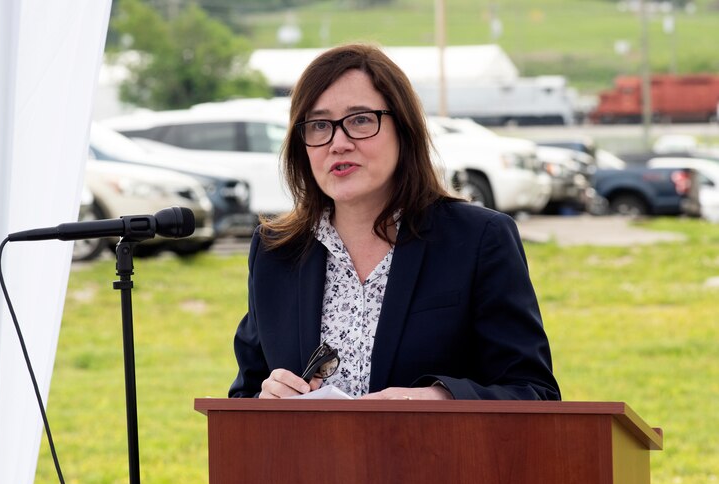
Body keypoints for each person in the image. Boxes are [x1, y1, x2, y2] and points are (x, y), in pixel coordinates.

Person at [229, 43, 560, 401]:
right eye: (319, 125)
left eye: (360, 120)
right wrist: (265, 402)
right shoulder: (275, 252)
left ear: (403, 128)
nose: (338, 143)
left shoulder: (479, 239)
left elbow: (533, 393)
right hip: (310, 459)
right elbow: (244, 396)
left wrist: (438, 399)